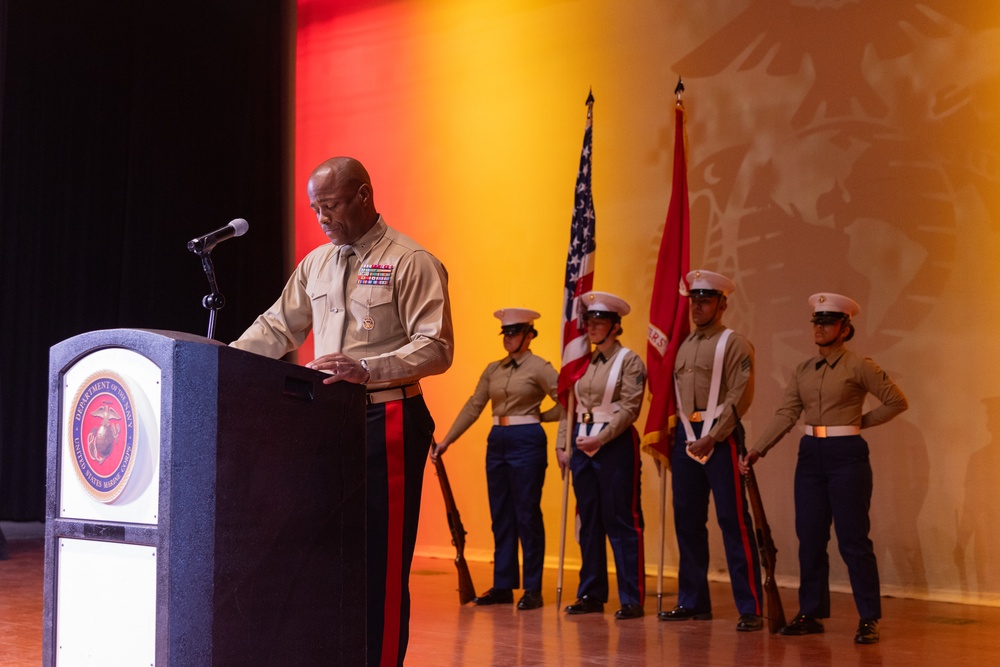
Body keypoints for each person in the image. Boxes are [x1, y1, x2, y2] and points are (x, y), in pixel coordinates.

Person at [231, 156, 453, 667]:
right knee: (326, 558)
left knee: (382, 563)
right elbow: (277, 327)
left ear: (363, 195)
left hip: (387, 420)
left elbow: (436, 347)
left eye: (329, 206)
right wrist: (221, 360)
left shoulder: (411, 261)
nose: (322, 219)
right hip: (326, 424)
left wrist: (367, 367)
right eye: (315, 210)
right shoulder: (317, 263)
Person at [740, 292, 907, 645]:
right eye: (816, 322)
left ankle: (868, 617)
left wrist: (857, 423)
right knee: (810, 538)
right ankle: (811, 612)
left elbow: (896, 401)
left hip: (846, 454)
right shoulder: (804, 369)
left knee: (853, 539)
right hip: (810, 454)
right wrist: (758, 449)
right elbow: (787, 414)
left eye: (827, 322)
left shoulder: (860, 365)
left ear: (845, 329)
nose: (819, 328)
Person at [431, 308, 562, 610]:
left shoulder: (540, 367)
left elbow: (566, 401)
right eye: (505, 333)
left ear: (529, 335)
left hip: (527, 440)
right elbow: (474, 405)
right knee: (501, 514)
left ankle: (532, 588)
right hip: (498, 441)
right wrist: (448, 440)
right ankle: (503, 584)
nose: (508, 338)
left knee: (527, 514)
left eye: (515, 333)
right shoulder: (494, 369)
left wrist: (540, 417)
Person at [658, 269, 764, 632]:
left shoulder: (735, 343)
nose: (697, 307)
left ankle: (749, 605)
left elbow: (740, 396)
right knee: (687, 522)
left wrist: (715, 436)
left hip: (720, 438)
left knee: (733, 521)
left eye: (705, 301)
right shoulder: (684, 344)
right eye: (694, 301)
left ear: (722, 304)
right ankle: (693, 600)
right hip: (687, 438)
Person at [557, 291, 647, 620]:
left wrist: (603, 439)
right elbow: (571, 406)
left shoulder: (630, 361)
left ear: (615, 327)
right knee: (589, 522)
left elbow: (630, 408)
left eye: (599, 322)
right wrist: (563, 444)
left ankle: (631, 598)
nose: (592, 328)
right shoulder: (583, 363)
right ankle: (591, 593)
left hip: (614, 446)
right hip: (583, 446)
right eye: (589, 322)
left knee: (621, 520)